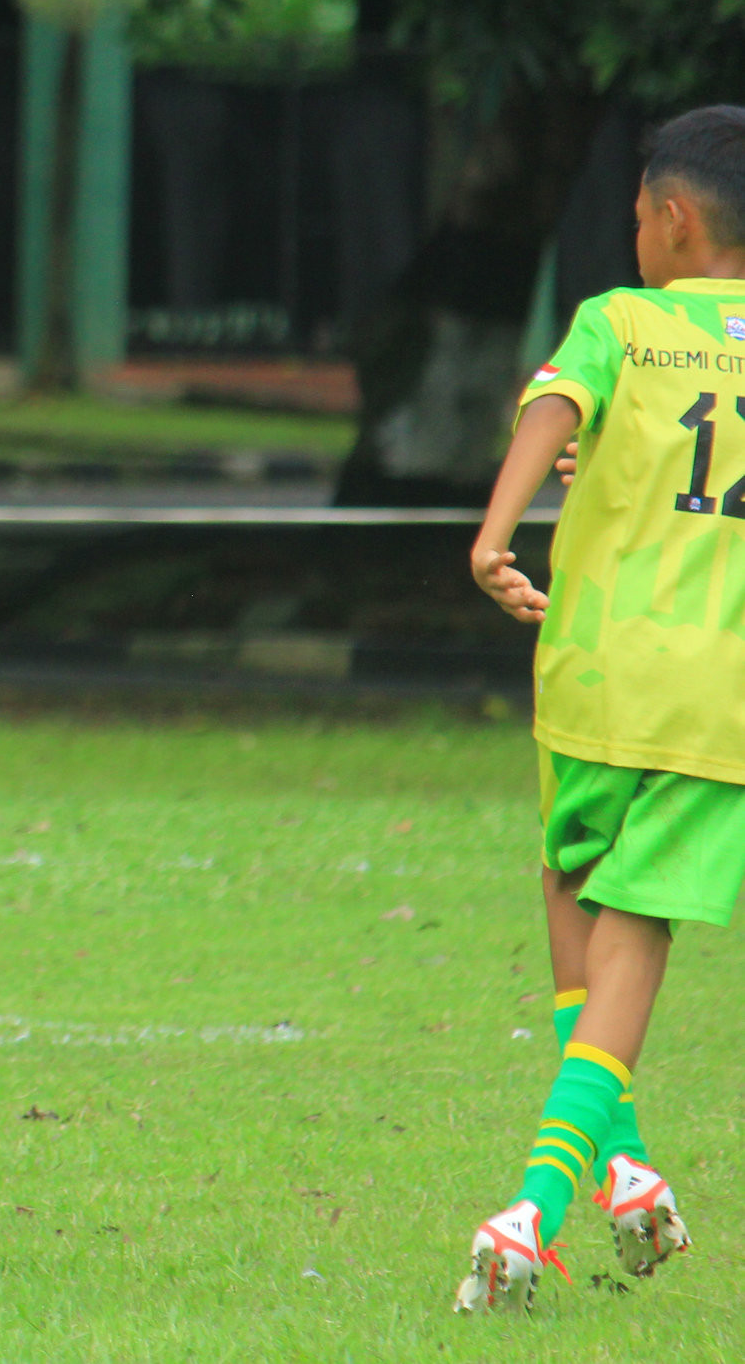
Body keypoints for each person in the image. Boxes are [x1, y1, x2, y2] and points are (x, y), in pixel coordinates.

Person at [452, 106, 745, 1310]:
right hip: (715, 696)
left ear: (673, 218)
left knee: (571, 879)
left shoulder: (619, 321)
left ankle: (615, 1168)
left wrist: (494, 529)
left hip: (589, 671)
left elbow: (556, 406)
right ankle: (536, 1202)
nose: (633, 238)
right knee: (637, 928)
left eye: (634, 218)